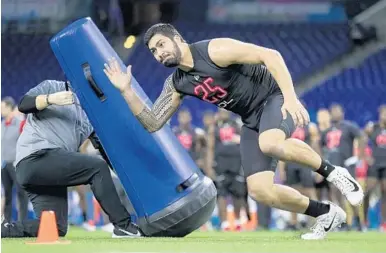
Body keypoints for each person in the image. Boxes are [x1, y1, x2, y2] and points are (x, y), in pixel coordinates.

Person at [103, 23, 364, 240]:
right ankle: (326, 213)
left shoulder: (214, 50)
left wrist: (291, 98)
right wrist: (126, 90)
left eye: (161, 44)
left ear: (178, 39)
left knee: (270, 143)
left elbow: (270, 55)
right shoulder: (177, 83)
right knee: (260, 190)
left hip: (274, 98)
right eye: (153, 51)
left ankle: (335, 173)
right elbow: (152, 122)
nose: (158, 53)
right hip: (251, 119)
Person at [1, 80, 141, 238]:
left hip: (50, 169)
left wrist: (127, 175)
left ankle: (5, 229)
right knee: (96, 167)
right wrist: (50, 99)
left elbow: (104, 150)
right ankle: (123, 226)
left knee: (54, 228)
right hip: (35, 158)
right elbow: (23, 104)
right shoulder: (53, 86)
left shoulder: (91, 113)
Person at [321, 103, 367, 230]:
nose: (335, 113)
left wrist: (359, 157)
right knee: (336, 193)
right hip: (332, 166)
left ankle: (358, 221)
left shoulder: (348, 126)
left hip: (346, 165)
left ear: (342, 113)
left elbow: (362, 136)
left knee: (349, 193)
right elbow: (319, 145)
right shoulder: (327, 131)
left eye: (337, 111)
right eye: (333, 111)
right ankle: (344, 222)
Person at [207, 109, 247, 231]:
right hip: (221, 163)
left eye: (225, 111)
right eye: (221, 111)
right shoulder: (214, 127)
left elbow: (246, 143)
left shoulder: (237, 124)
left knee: (238, 194)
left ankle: (237, 220)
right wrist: (209, 166)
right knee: (222, 194)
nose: (224, 113)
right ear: (218, 112)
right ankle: (225, 223)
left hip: (237, 163)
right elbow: (210, 147)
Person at [278, 120, 319, 230]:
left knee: (310, 192)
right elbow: (281, 148)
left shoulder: (310, 127)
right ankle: (294, 222)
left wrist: (318, 165)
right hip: (290, 162)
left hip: (305, 161)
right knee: (292, 192)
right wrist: (281, 170)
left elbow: (315, 146)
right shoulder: (285, 127)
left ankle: (315, 221)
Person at [1, 97, 29, 222]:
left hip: (16, 164)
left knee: (21, 194)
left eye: (2, 107)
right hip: (4, 165)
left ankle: (21, 222)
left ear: (9, 107)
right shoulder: (1, 125)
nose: (1, 110)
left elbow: (26, 143)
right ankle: (7, 222)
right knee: (6, 195)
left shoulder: (20, 123)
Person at [364, 104, 386, 231]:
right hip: (374, 164)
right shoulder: (373, 128)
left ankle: (383, 223)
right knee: (368, 191)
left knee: (385, 192)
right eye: (383, 113)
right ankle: (364, 221)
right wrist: (366, 156)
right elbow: (362, 140)